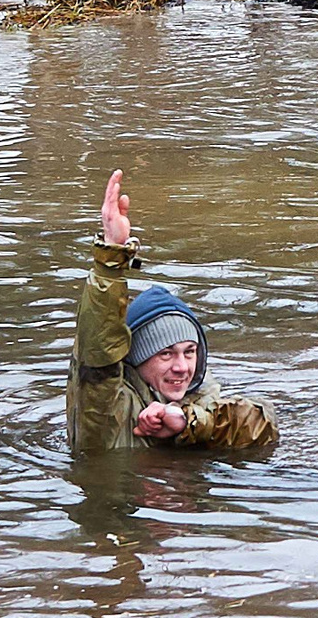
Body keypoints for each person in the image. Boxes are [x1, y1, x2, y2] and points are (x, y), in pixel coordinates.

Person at [68, 169, 277, 456]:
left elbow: (263, 424)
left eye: (189, 351)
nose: (181, 367)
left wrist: (188, 423)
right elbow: (98, 348)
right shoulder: (109, 413)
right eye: (166, 353)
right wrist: (111, 258)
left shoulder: (202, 400)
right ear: (138, 358)